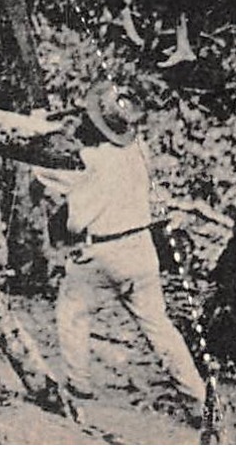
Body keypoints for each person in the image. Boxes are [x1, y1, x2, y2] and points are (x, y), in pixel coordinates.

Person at [35, 81, 208, 423]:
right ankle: (199, 401)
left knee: (73, 311)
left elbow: (42, 170)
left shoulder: (86, 160)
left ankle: (79, 387)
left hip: (101, 253)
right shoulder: (139, 152)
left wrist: (42, 125)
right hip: (141, 249)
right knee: (159, 327)